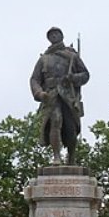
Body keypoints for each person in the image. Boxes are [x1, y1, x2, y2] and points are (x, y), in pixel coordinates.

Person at [30, 27, 89, 165]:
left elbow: (85, 75)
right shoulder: (44, 59)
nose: (54, 36)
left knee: (70, 127)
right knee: (55, 121)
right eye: (51, 35)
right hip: (51, 95)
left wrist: (73, 78)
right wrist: (39, 93)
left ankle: (71, 157)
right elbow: (34, 79)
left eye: (57, 34)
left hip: (69, 96)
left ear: (62, 36)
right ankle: (56, 157)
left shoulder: (72, 56)